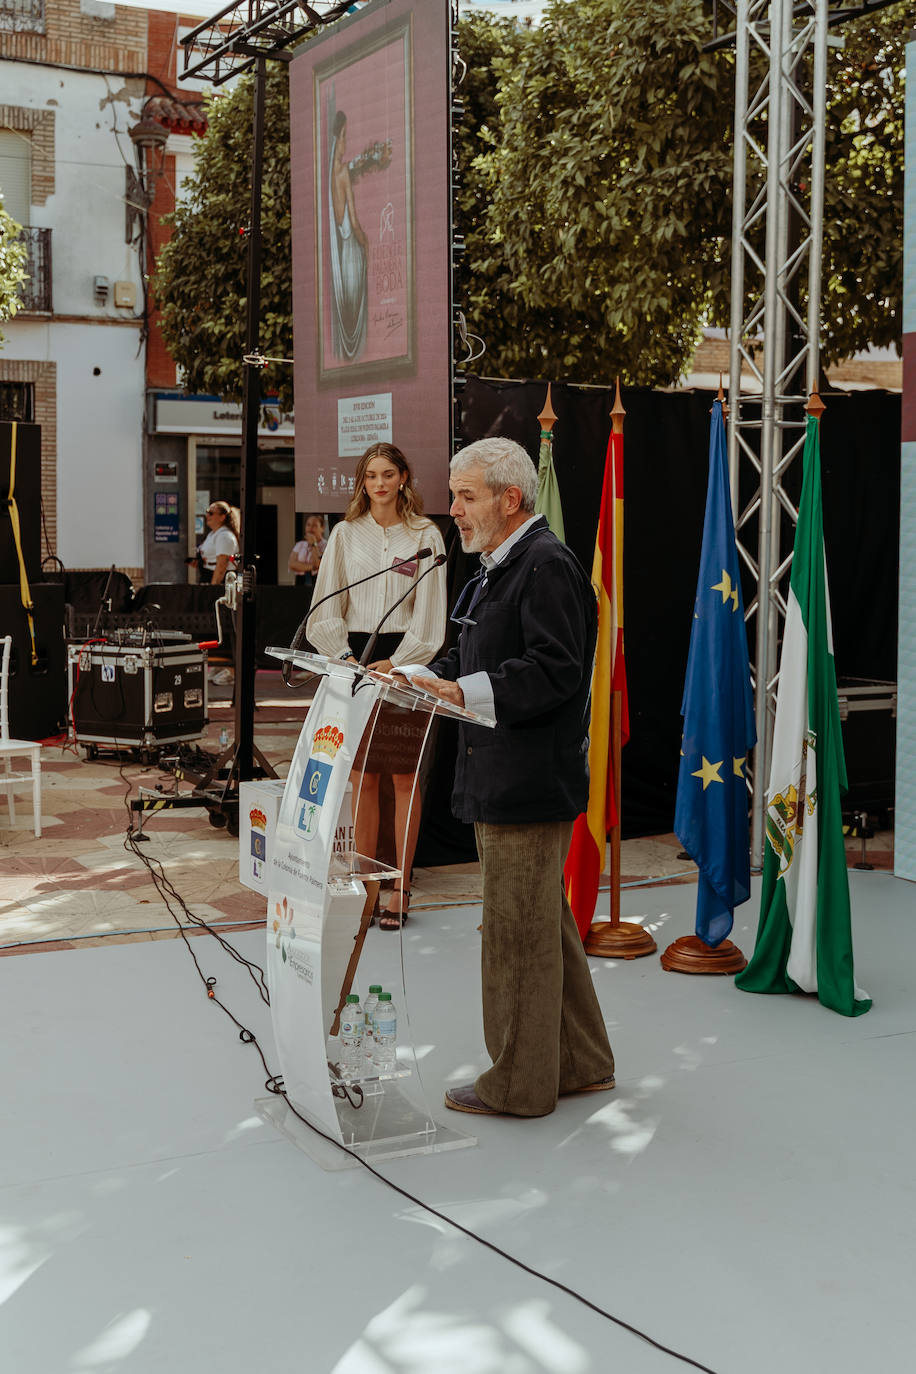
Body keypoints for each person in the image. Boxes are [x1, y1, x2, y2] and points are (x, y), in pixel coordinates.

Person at [397, 437, 615, 1117]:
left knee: (516, 939)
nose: (452, 509)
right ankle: (580, 1062)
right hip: (500, 775)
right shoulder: (495, 565)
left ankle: (519, 1085)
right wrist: (419, 679)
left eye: (466, 495)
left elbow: (556, 671)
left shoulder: (546, 566)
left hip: (526, 785)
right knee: (541, 926)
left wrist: (465, 692)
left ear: (509, 498)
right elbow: (467, 651)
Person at [307, 442, 447, 929]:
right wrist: (345, 658)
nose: (380, 484)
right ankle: (367, 887)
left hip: (405, 667)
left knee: (404, 779)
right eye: (371, 476)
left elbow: (430, 621)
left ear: (404, 477)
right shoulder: (344, 535)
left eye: (388, 474)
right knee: (361, 778)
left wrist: (397, 662)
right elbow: (325, 608)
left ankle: (401, 886)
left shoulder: (427, 535)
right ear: (362, 483)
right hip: (354, 662)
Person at [198, 502, 239, 685]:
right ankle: (219, 663)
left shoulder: (225, 536)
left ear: (222, 516)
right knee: (214, 625)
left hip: (222, 584)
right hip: (209, 579)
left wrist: (213, 588)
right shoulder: (213, 535)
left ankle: (230, 668)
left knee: (225, 624)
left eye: (211, 512)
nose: (207, 515)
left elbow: (222, 564)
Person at [288, 515, 327, 590]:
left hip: (318, 582)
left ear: (322, 528)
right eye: (308, 525)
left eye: (314, 525)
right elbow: (291, 564)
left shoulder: (327, 546)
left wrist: (314, 544)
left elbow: (319, 565)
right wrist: (313, 567)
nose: (310, 528)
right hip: (300, 581)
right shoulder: (300, 544)